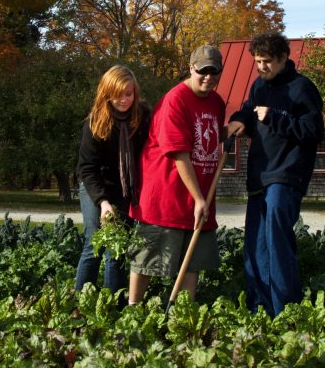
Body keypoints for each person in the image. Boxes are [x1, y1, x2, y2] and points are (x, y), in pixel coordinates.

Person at [225, 31, 324, 317]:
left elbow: (313, 131)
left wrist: (275, 118)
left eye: (267, 61)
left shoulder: (302, 88)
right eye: (257, 62)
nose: (261, 67)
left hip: (286, 175)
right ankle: (260, 310)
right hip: (259, 175)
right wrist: (238, 122)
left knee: (277, 243)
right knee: (255, 247)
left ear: (283, 59)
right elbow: (248, 110)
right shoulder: (259, 86)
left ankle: (285, 312)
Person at [128, 45, 227, 305]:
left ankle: (182, 315)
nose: (208, 77)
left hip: (198, 198)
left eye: (214, 71)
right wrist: (199, 198)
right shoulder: (175, 100)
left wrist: (229, 131)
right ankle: (133, 309)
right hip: (166, 195)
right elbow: (178, 153)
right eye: (203, 71)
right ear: (190, 68)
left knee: (191, 261)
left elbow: (207, 137)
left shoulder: (217, 102)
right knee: (147, 260)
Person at [74, 65, 151, 295]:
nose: (124, 100)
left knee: (116, 249)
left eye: (129, 94)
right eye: (118, 94)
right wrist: (103, 203)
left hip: (125, 188)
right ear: (107, 92)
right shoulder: (95, 123)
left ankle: (112, 304)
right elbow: (87, 169)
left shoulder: (143, 115)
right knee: (94, 243)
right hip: (95, 187)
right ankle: (80, 300)